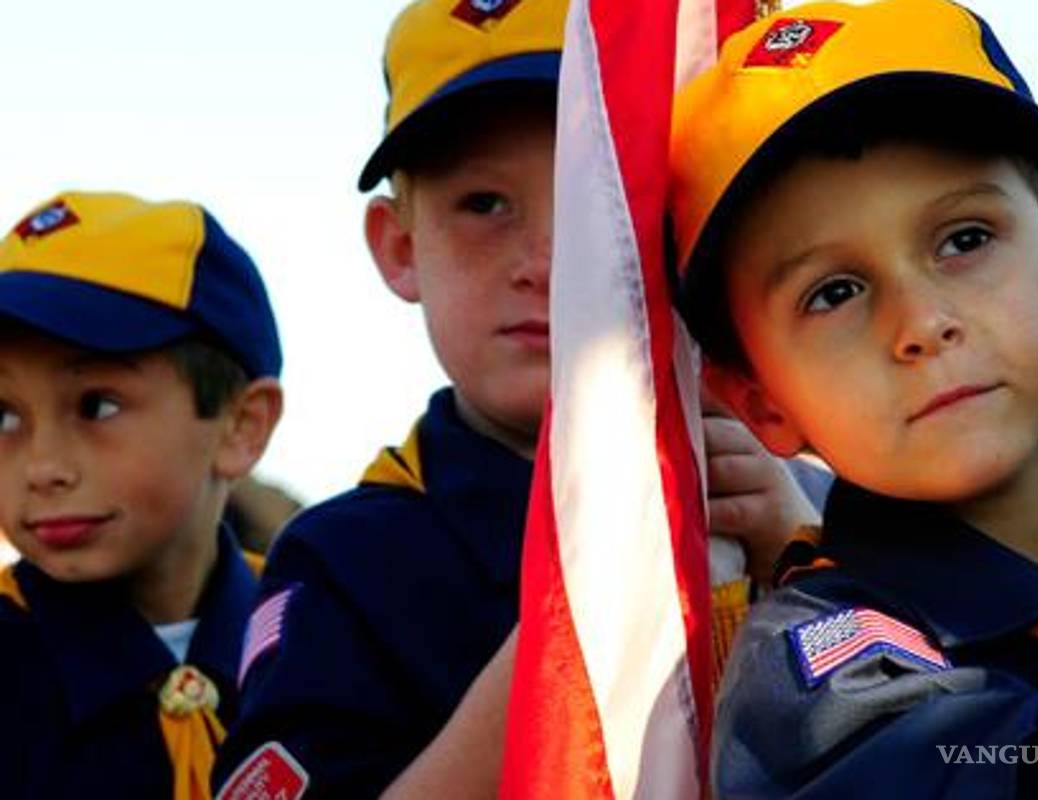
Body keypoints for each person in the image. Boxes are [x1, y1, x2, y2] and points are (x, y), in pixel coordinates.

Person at [213, 1, 819, 798]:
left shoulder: (814, 493)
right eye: (484, 206)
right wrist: (584, 611)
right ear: (400, 249)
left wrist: (806, 560)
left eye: (600, 200)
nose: (545, 261)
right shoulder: (348, 561)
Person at [668, 1, 1038, 796]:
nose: (920, 324)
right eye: (834, 291)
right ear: (761, 400)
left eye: (964, 239)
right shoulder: (818, 664)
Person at [0, 190, 284, 799]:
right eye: (3, 417)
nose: (43, 467)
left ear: (242, 425)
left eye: (96, 405)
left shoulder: (318, 637)